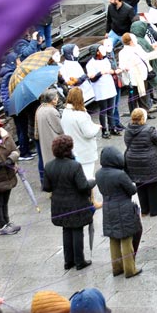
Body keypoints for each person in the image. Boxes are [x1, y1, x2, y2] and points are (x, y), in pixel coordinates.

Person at [42, 135, 97, 271]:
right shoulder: (74, 165)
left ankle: (68, 261)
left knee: (66, 230)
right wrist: (93, 181)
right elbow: (83, 186)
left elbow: (47, 187)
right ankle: (79, 261)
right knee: (77, 230)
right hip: (76, 204)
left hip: (59, 204)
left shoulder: (49, 166)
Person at [95, 146, 142, 278]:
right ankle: (130, 269)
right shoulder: (120, 175)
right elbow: (132, 190)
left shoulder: (98, 174)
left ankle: (117, 268)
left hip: (108, 208)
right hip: (123, 208)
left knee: (114, 239)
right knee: (126, 238)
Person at [123, 107, 157, 216]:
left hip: (133, 161)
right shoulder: (149, 129)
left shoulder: (128, 130)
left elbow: (127, 143)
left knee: (140, 184)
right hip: (149, 161)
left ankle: (145, 209)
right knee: (153, 185)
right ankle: (155, 210)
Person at [61, 88, 100, 184]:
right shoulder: (81, 115)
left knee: (79, 176)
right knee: (87, 177)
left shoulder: (65, 112)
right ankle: (89, 194)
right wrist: (97, 127)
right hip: (85, 150)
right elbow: (88, 133)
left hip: (73, 149)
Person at [34, 87, 64, 181]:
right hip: (53, 140)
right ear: (53, 99)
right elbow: (59, 129)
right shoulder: (51, 111)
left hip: (44, 141)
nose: (58, 98)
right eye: (56, 97)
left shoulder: (40, 109)